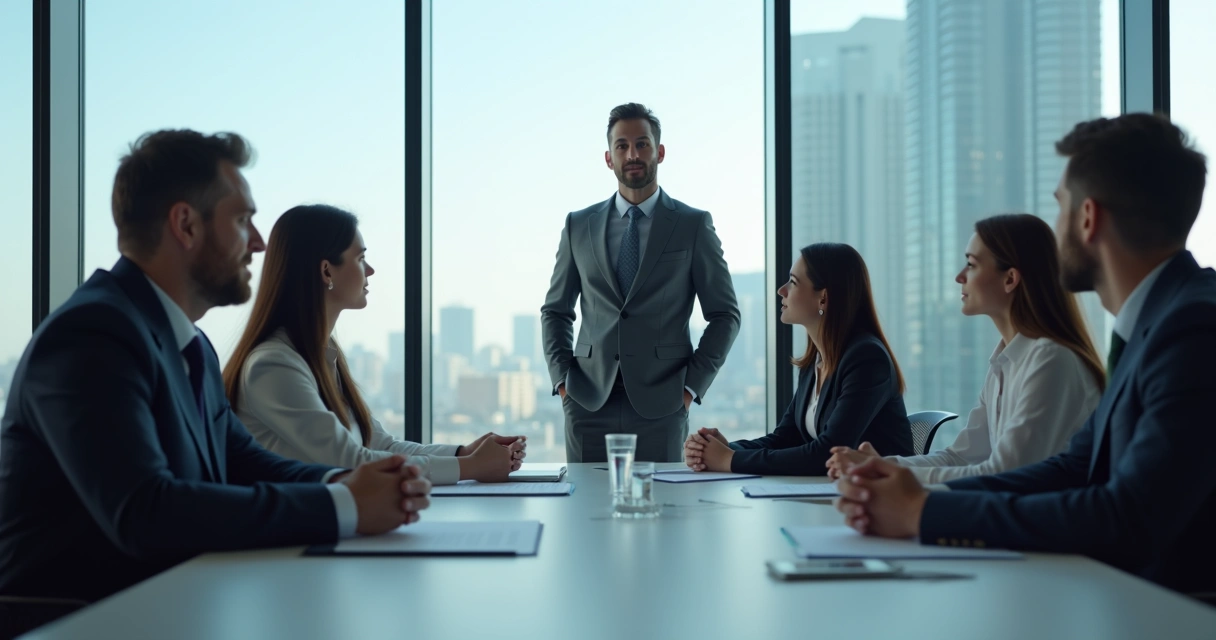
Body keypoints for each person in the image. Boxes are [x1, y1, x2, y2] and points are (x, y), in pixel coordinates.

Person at [0, 130, 431, 606]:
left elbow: (242, 461)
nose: (260, 243)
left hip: (169, 606)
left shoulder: (190, 344)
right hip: (83, 621)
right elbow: (147, 512)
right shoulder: (92, 336)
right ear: (186, 225)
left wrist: (342, 482)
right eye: (243, 219)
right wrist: (344, 505)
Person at [835, 113, 1216, 594]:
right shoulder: (1155, 325)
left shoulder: (1192, 330)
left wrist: (922, 510)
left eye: (1059, 207)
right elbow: (1071, 468)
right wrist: (911, 492)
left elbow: (1128, 515)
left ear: (1087, 217)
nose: (1054, 233)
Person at [223, 204, 526, 483]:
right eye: (360, 258)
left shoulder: (322, 357)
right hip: (299, 537)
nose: (370, 271)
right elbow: (351, 462)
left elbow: (380, 444)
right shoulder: (273, 365)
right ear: (327, 270)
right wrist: (470, 468)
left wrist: (463, 452)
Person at [825, 214, 1105, 483]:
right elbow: (960, 458)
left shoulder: (1051, 360)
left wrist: (888, 472)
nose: (960, 276)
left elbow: (1005, 472)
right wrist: (883, 465)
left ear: (1010, 279)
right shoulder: (1005, 361)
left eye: (971, 264)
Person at [541, 103, 740, 463]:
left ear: (659, 152)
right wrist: (562, 382)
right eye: (622, 146)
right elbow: (555, 311)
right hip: (587, 401)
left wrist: (690, 389)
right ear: (608, 158)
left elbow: (725, 314)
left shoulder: (692, 225)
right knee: (585, 513)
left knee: (662, 513)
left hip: (663, 403)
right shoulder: (578, 225)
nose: (632, 154)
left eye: (642, 144)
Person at [684, 243, 913, 475]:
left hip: (879, 499)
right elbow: (786, 438)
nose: (781, 290)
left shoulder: (866, 359)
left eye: (793, 282)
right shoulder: (815, 362)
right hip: (836, 493)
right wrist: (725, 449)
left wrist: (729, 460)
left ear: (823, 298)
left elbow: (827, 453)